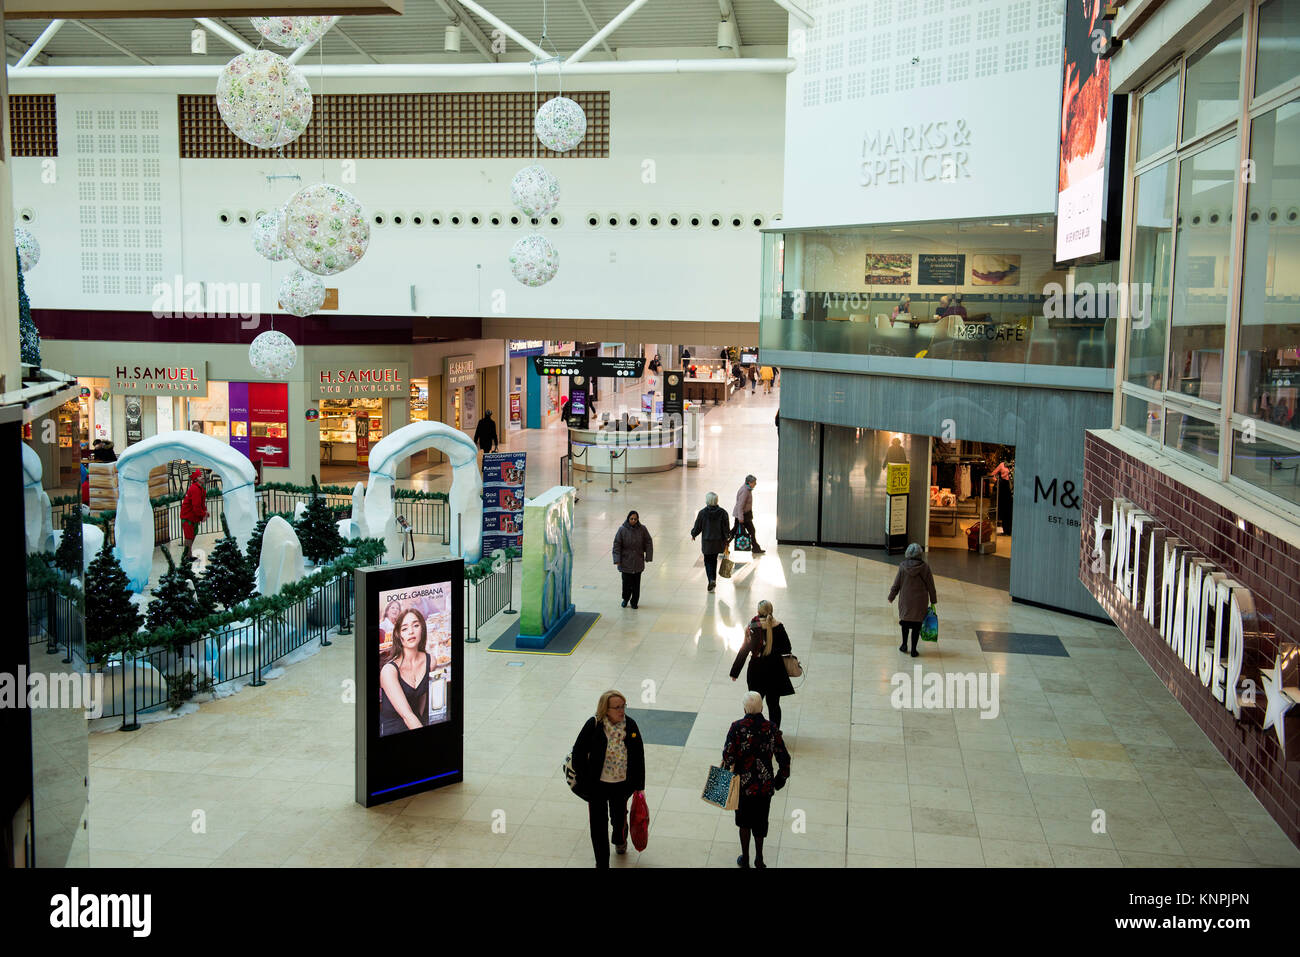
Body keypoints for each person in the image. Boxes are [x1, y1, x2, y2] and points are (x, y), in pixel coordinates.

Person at [572, 690, 645, 867]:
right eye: (617, 707)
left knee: (619, 817)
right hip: (597, 786)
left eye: (623, 706)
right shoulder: (594, 725)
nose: (621, 711)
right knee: (598, 826)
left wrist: (639, 786)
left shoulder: (631, 726)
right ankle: (601, 863)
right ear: (606, 709)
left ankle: (619, 838)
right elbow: (578, 754)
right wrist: (586, 782)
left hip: (621, 785)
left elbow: (638, 756)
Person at [722, 691, 791, 868]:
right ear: (761, 707)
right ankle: (759, 859)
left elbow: (728, 756)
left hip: (742, 786)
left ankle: (745, 858)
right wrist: (779, 780)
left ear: (744, 707)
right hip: (764, 785)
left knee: (744, 822)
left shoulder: (736, 727)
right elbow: (784, 757)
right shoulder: (771, 728)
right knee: (760, 822)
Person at [729, 600, 795, 729]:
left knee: (754, 705)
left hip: (756, 672)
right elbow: (787, 648)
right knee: (774, 705)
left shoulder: (752, 627)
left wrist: (735, 672)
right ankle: (775, 732)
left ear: (758, 612)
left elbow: (744, 650)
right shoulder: (779, 626)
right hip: (775, 671)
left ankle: (754, 731)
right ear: (771, 611)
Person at [378, 608, 430, 735]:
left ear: (422, 629)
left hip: (416, 723)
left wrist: (421, 717)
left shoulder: (430, 660)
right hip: (392, 732)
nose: (411, 632)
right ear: (398, 635)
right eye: (404, 628)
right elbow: (407, 715)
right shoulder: (389, 671)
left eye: (416, 625)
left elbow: (423, 693)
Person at [887, 543, 938, 657]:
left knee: (905, 624)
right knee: (916, 626)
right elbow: (931, 585)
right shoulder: (925, 567)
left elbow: (897, 584)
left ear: (907, 553)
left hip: (906, 601)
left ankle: (904, 645)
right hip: (920, 602)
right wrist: (933, 600)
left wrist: (891, 597)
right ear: (920, 554)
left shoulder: (902, 566)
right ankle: (914, 650)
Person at [691, 491, 732, 593]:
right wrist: (727, 538)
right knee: (714, 560)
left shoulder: (702, 513)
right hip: (719, 542)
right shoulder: (723, 513)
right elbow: (726, 528)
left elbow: (698, 526)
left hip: (707, 542)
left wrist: (693, 534)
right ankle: (712, 580)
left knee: (708, 561)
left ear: (707, 501)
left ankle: (711, 579)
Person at [612, 510, 653, 609]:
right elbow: (617, 545)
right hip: (625, 563)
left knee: (636, 585)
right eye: (631, 519)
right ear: (628, 519)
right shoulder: (622, 530)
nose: (633, 520)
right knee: (626, 584)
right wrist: (617, 560)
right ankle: (625, 598)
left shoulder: (642, 529)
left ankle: (634, 601)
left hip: (638, 562)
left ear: (638, 519)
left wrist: (648, 556)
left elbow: (648, 542)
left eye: (635, 519)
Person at [180, 468, 208, 560]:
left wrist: (204, 513)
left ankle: (188, 554)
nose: (203, 477)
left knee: (192, 535)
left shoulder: (201, 489)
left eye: (202, 475)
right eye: (200, 476)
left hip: (193, 517)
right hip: (188, 518)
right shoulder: (195, 489)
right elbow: (196, 506)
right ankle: (187, 556)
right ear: (196, 479)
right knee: (189, 537)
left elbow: (201, 503)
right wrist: (203, 514)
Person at [733, 475, 764, 555]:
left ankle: (756, 548)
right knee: (750, 531)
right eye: (754, 482)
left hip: (744, 515)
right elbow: (740, 505)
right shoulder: (745, 491)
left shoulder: (748, 489)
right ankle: (756, 548)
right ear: (749, 483)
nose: (755, 484)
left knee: (736, 531)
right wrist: (740, 517)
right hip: (742, 516)